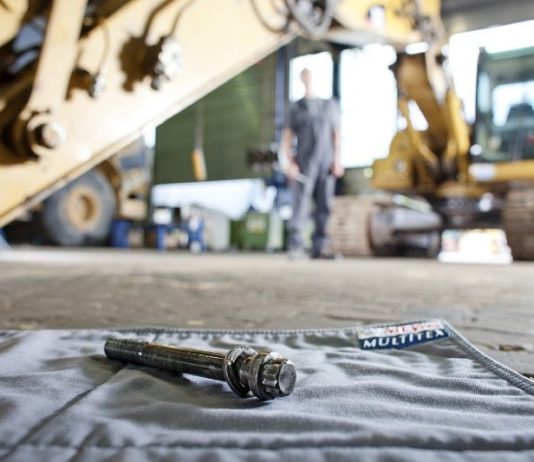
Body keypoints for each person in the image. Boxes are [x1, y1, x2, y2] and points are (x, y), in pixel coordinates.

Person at [281, 68, 344, 259]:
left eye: (310, 75)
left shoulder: (329, 105)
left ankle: (320, 247)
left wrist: (337, 160)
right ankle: (296, 246)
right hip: (304, 162)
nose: (307, 79)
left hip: (326, 161)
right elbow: (287, 137)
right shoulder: (296, 107)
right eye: (304, 76)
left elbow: (337, 135)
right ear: (301, 79)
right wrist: (289, 163)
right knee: (300, 204)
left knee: (324, 204)